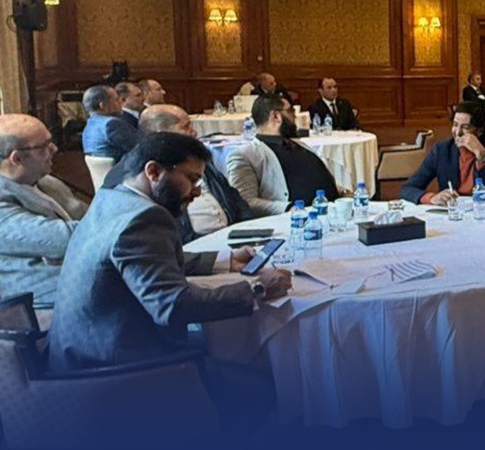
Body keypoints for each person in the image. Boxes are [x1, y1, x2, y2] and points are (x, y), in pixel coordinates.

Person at [47, 133, 290, 439]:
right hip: (116, 369)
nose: (197, 191)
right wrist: (257, 289)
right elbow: (173, 306)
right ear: (154, 171)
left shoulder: (113, 198)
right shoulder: (145, 217)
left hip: (80, 351)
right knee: (262, 383)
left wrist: (225, 260)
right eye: (191, 179)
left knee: (226, 349)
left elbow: (142, 259)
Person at [101, 105, 252, 240]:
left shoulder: (195, 159)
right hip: (191, 247)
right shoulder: (129, 181)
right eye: (186, 127)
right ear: (162, 133)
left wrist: (250, 230)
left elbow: (233, 197)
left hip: (231, 238)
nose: (194, 133)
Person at [0, 114, 85, 305]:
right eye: (44, 146)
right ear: (17, 158)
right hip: (42, 300)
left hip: (77, 273)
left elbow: (88, 213)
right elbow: (65, 239)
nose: (54, 149)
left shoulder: (46, 180)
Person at [225, 95, 339, 218]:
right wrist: (288, 208)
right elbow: (245, 202)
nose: (295, 116)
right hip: (297, 220)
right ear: (276, 116)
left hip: (334, 211)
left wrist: (341, 192)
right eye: (291, 111)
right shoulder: (246, 155)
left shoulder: (299, 144)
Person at [401, 101, 485, 205]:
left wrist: (481, 155)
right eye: (455, 125)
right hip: (451, 210)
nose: (457, 132)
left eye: (465, 127)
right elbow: (408, 188)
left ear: (480, 131)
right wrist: (432, 198)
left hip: (481, 210)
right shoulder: (441, 150)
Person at [82, 84, 140, 162]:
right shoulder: (112, 124)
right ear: (102, 106)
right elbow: (140, 148)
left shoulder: (89, 126)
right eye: (116, 99)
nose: (121, 102)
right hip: (123, 168)